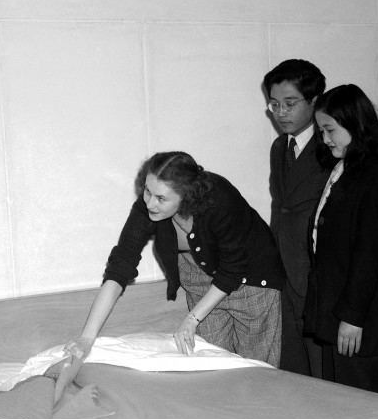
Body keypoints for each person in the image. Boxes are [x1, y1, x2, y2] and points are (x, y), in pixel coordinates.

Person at [70, 151, 285, 365]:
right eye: (147, 191)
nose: (150, 203)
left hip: (253, 279)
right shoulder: (147, 206)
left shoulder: (219, 199)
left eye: (161, 198)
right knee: (213, 366)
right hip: (201, 283)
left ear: (186, 196)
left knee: (257, 370)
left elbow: (233, 268)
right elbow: (120, 266)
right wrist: (87, 338)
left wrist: (192, 319)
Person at [304, 84, 378, 392]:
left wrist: (353, 317)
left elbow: (371, 255)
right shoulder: (346, 169)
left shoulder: (377, 178)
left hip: (361, 321)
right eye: (321, 131)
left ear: (355, 125)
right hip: (340, 313)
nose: (325, 138)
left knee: (363, 407)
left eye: (330, 130)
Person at [263, 59, 331, 376]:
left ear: (314, 102)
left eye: (290, 104)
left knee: (322, 368)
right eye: (274, 105)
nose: (281, 113)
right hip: (284, 273)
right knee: (293, 365)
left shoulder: (331, 147)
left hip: (317, 274)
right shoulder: (279, 147)